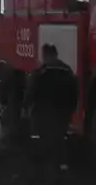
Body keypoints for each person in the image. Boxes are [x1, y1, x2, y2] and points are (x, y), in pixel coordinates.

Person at [24, 43, 79, 172]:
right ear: (56, 54)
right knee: (59, 139)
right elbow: (74, 92)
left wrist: (26, 107)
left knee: (45, 140)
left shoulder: (40, 72)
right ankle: (61, 166)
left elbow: (31, 91)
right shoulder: (67, 70)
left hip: (44, 114)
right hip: (62, 113)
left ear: (45, 55)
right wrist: (71, 109)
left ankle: (46, 170)